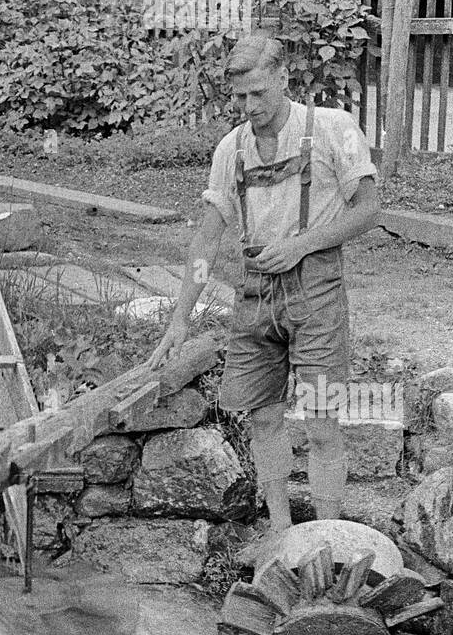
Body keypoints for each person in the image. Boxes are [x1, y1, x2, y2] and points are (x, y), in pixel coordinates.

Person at [149, 33, 380, 553]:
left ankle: (327, 542)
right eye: (240, 98)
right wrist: (180, 318)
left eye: (259, 94)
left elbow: (368, 210)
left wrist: (302, 245)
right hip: (255, 296)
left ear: (283, 79)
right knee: (264, 418)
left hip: (316, 291)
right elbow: (207, 238)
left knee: (321, 420)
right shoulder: (231, 149)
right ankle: (281, 536)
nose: (249, 108)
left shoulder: (333, 130)